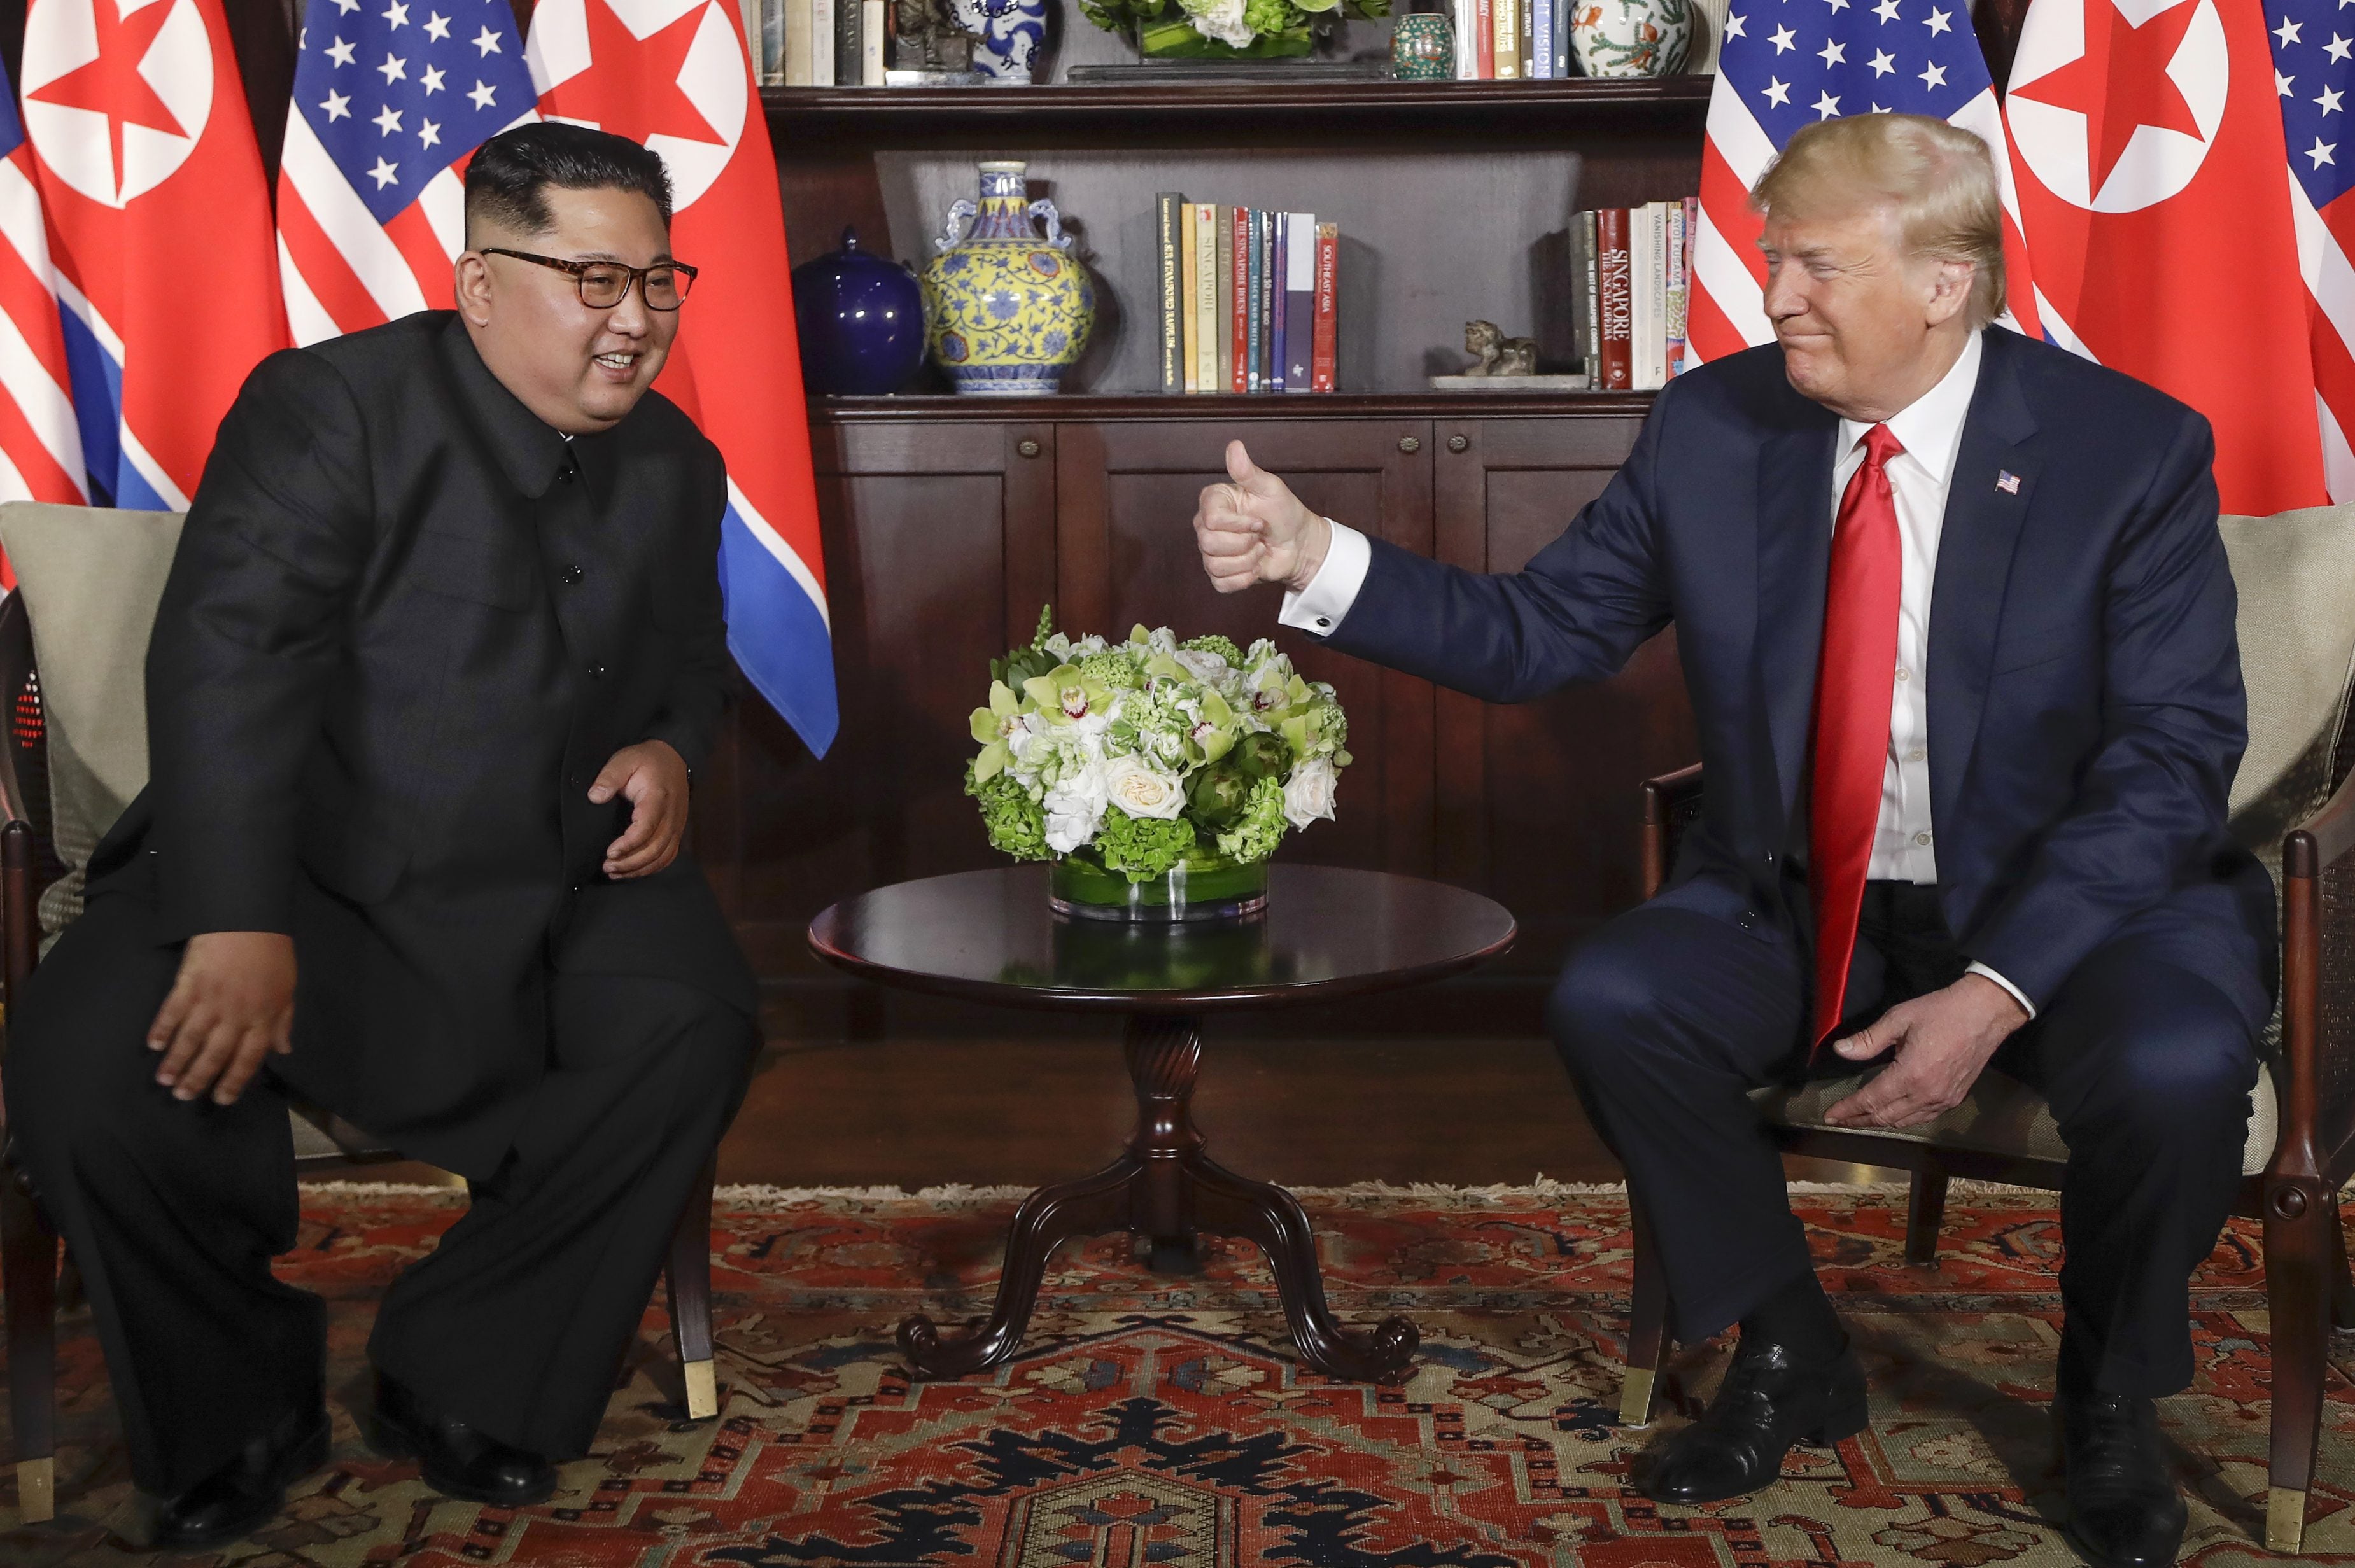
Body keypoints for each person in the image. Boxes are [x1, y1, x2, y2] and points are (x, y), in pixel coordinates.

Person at [1193, 113, 2269, 1568]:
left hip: (2079, 909)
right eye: (1773, 261)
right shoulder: (1716, 425)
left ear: (1945, 279)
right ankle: (1787, 1340)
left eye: (1814, 266)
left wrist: (1996, 987)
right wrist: (1315, 555)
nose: (1774, 297)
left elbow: (2167, 763)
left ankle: (2106, 1395)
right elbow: (1543, 631)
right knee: (1616, 996)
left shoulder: (2122, 450)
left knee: (2175, 1064)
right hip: (1800, 893)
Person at [4, 122, 763, 1546]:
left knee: (694, 1019)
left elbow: (692, 667)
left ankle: (462, 1365)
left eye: (659, 281)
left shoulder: (674, 459)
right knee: (86, 1071)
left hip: (553, 876)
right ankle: (235, 1406)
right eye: (595, 278)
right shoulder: (325, 407)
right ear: (479, 282)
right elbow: (226, 660)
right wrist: (235, 919)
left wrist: (667, 744)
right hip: (292, 866)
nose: (635, 318)